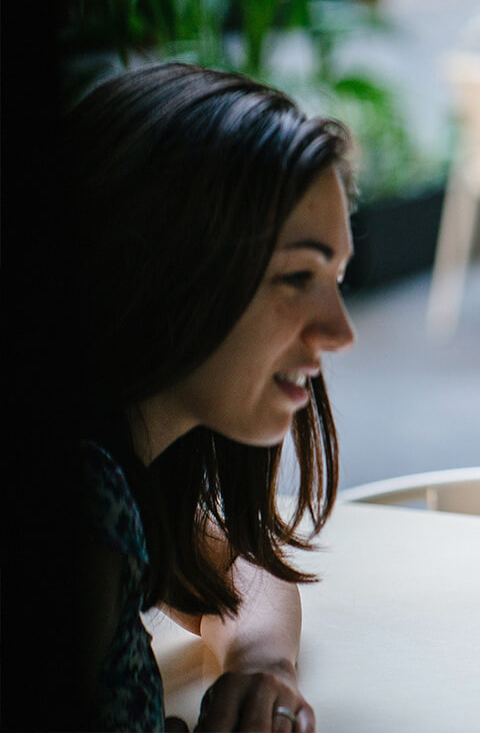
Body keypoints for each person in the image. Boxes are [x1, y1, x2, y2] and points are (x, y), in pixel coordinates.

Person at [20, 62, 356, 731]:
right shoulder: (87, 505)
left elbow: (234, 567)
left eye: (337, 278)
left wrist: (263, 668)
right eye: (297, 276)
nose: (341, 331)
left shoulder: (129, 477)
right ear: (171, 272)